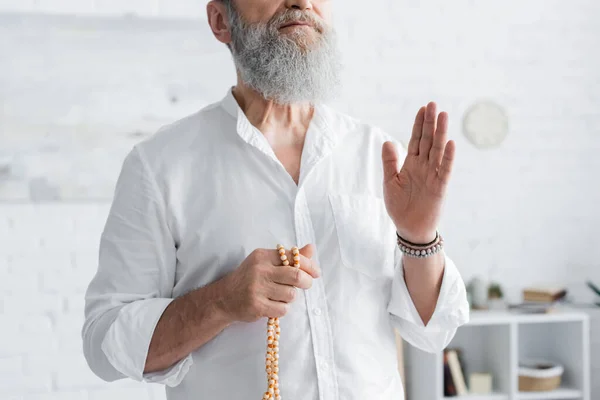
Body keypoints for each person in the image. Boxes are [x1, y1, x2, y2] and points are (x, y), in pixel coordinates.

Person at [82, 0, 469, 399]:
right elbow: (104, 343)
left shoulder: (376, 153)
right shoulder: (159, 165)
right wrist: (220, 302)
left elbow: (434, 329)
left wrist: (419, 237)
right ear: (220, 21)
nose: (301, 2)